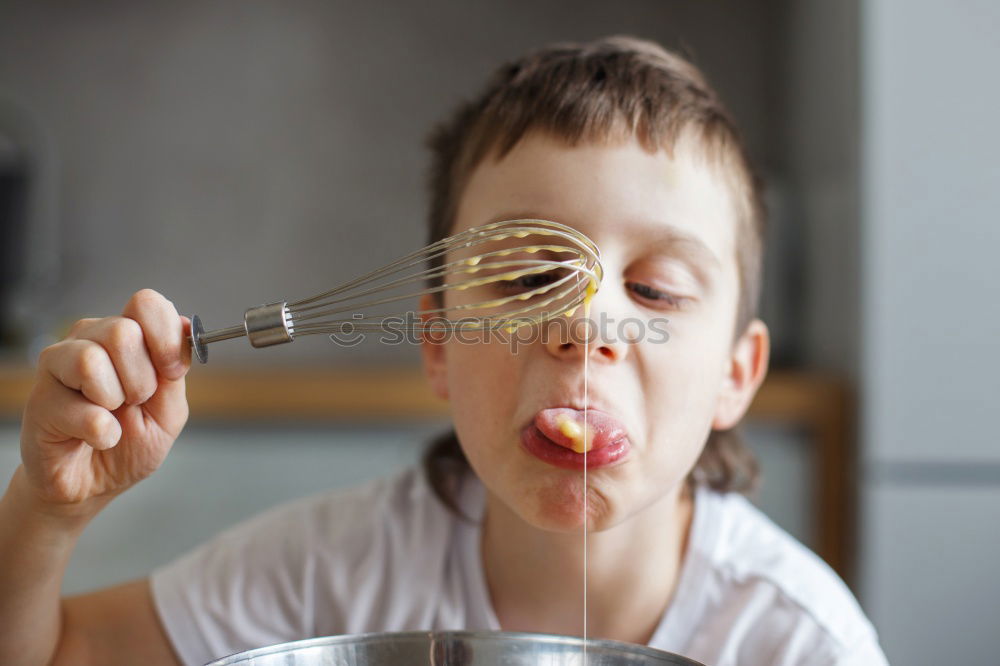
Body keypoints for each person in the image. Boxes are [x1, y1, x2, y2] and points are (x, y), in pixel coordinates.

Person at [0, 36, 888, 665]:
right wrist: (46, 510)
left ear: (738, 373)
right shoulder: (330, 572)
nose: (584, 328)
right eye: (524, 277)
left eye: (653, 291)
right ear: (437, 345)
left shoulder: (796, 641)